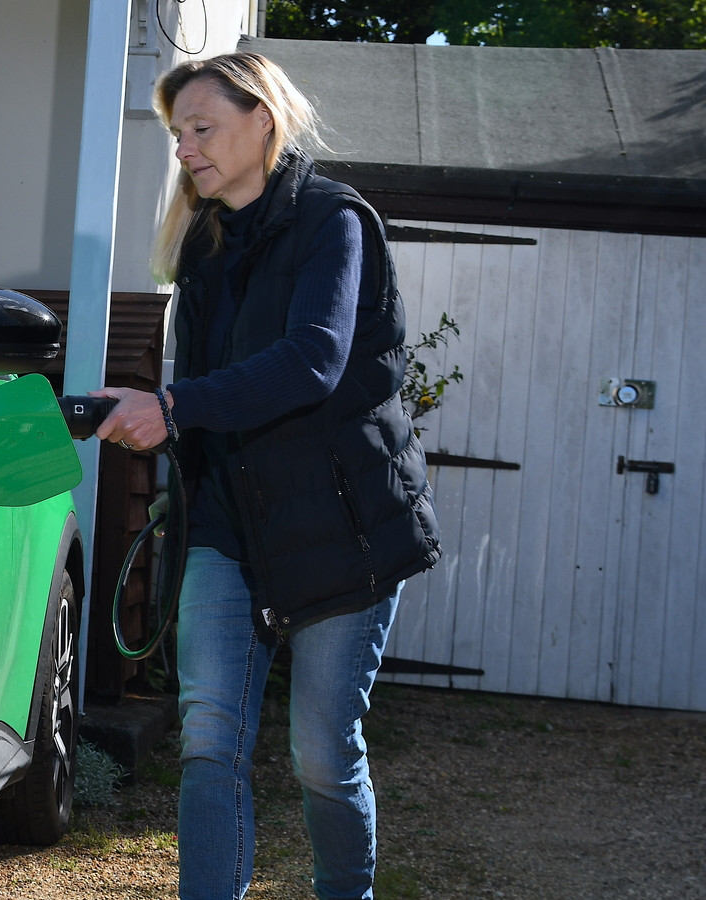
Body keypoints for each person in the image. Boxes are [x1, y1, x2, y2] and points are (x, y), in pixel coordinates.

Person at [92, 52, 442, 900]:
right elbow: (203, 392)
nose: (185, 149)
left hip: (341, 527)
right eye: (178, 134)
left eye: (201, 128)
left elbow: (314, 360)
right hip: (228, 524)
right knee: (210, 742)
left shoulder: (334, 222)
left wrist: (172, 406)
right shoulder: (205, 244)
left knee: (321, 752)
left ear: (263, 120)